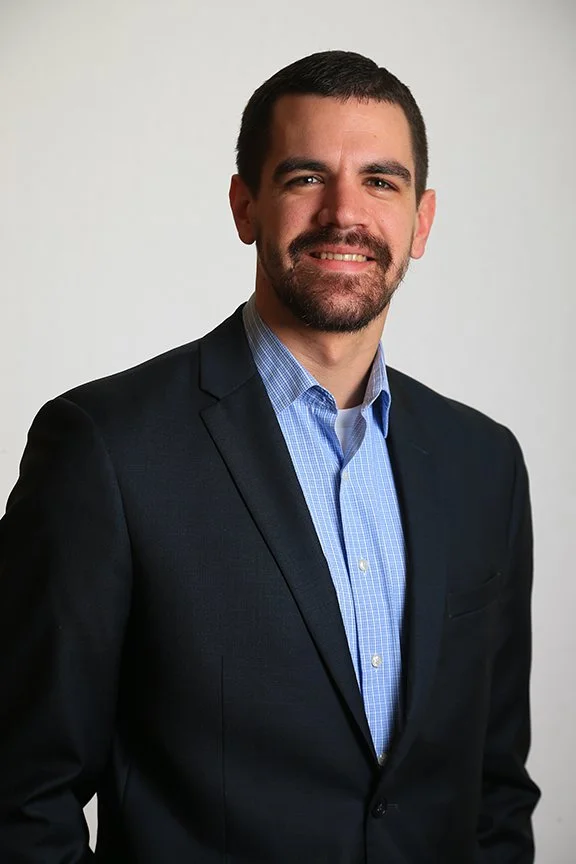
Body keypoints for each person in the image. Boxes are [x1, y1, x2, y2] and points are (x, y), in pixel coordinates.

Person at [0, 50, 540, 863]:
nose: (344, 214)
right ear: (244, 205)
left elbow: (495, 790)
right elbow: (19, 795)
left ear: (422, 221)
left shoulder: (484, 464)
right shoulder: (105, 449)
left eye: (381, 182)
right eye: (305, 177)